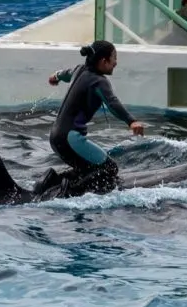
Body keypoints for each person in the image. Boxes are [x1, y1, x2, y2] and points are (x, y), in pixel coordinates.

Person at [44, 41, 144, 193]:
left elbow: (65, 73)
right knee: (109, 168)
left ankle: (52, 181)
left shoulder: (79, 70)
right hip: (71, 138)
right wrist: (131, 121)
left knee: (86, 168)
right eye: (114, 58)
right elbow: (112, 103)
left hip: (55, 137)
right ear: (104, 61)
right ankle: (69, 192)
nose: (116, 62)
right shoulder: (99, 81)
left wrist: (55, 77)